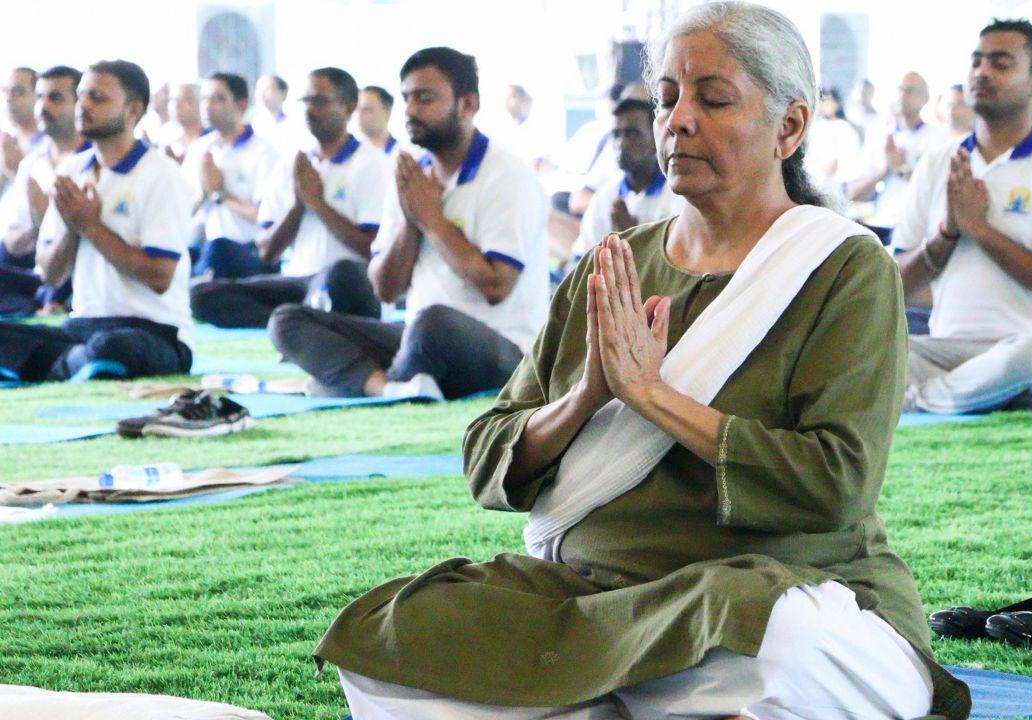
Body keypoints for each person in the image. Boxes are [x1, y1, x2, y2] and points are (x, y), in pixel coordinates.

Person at [313, 4, 969, 719]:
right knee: (395, 630)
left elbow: (836, 483)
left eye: (712, 99)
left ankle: (614, 701)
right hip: (597, 598)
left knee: (781, 640)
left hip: (766, 590)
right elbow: (486, 460)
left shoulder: (843, 269)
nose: (677, 120)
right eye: (666, 98)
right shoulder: (614, 266)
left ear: (789, 127)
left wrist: (654, 396)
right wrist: (589, 394)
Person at [268, 46, 549, 400]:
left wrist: (431, 218)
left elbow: (496, 286)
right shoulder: (410, 175)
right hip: (416, 337)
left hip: (504, 350)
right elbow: (385, 289)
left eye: (425, 98)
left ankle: (359, 380)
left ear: (468, 105)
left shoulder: (507, 176)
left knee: (434, 323)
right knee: (288, 321)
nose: (411, 111)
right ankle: (386, 386)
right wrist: (411, 222)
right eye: (407, 99)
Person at [890, 18, 1032, 415]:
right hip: (948, 349)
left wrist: (981, 230)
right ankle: (965, 394)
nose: (982, 73)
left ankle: (920, 399)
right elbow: (895, 284)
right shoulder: (940, 162)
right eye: (977, 62)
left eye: (1000, 64)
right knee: (862, 349)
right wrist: (947, 234)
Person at [0, 60, 195, 382]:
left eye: (98, 98)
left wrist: (91, 226)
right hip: (83, 325)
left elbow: (159, 276)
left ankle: (49, 365)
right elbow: (50, 274)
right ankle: (71, 364)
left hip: (155, 331)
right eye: (81, 96)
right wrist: (72, 228)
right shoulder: (71, 173)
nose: (83, 106)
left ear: (133, 109)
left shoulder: (161, 175)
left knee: (114, 348)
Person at [190, 67, 389, 329]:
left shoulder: (372, 164)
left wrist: (317, 204)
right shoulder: (292, 165)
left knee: (341, 272)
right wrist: (298, 205)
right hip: (298, 282)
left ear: (348, 107)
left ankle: (299, 320)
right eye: (305, 101)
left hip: (351, 284)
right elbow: (266, 251)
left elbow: (372, 249)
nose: (309, 109)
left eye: (319, 101)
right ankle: (297, 320)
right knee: (202, 295)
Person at [0, 65, 88, 316]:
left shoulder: (94, 162)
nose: (44, 106)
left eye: (55, 98)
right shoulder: (31, 163)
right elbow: (16, 244)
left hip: (75, 275)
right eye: (40, 97)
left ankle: (50, 302)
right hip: (35, 268)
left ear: (80, 104)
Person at [182, 72, 280, 280]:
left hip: (250, 251)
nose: (207, 106)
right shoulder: (200, 149)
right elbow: (182, 211)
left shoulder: (263, 152)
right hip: (207, 246)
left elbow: (263, 214)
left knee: (218, 249)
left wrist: (221, 194)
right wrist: (204, 193)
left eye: (217, 99)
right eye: (204, 99)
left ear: (241, 105)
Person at [571, 83, 682, 261]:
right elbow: (581, 264)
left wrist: (632, 238)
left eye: (632, 134)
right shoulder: (605, 198)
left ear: (656, 140)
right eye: (616, 134)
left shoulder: (679, 195)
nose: (621, 144)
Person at [847, 72, 951, 236]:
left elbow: (939, 194)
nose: (903, 95)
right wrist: (883, 170)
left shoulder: (938, 139)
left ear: (925, 99)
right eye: (900, 89)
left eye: (910, 90)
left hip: (919, 230)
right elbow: (853, 194)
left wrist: (901, 169)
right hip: (880, 224)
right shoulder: (878, 133)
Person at [802, 87, 861, 198]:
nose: (827, 104)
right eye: (824, 100)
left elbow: (846, 161)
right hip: (814, 180)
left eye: (830, 100)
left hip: (836, 186)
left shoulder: (844, 127)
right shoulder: (816, 126)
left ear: (837, 103)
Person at [1, 67, 44, 194]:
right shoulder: (7, 142)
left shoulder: (51, 145)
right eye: (5, 91)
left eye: (17, 91)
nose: (8, 98)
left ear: (38, 96)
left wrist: (16, 172)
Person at [164, 83, 207, 165]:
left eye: (184, 99)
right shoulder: (171, 141)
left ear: (200, 103)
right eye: (172, 99)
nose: (176, 105)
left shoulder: (213, 140)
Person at [357, 85, 399, 156]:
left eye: (367, 109)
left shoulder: (410, 155)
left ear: (387, 112)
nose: (359, 115)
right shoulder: (349, 157)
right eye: (357, 109)